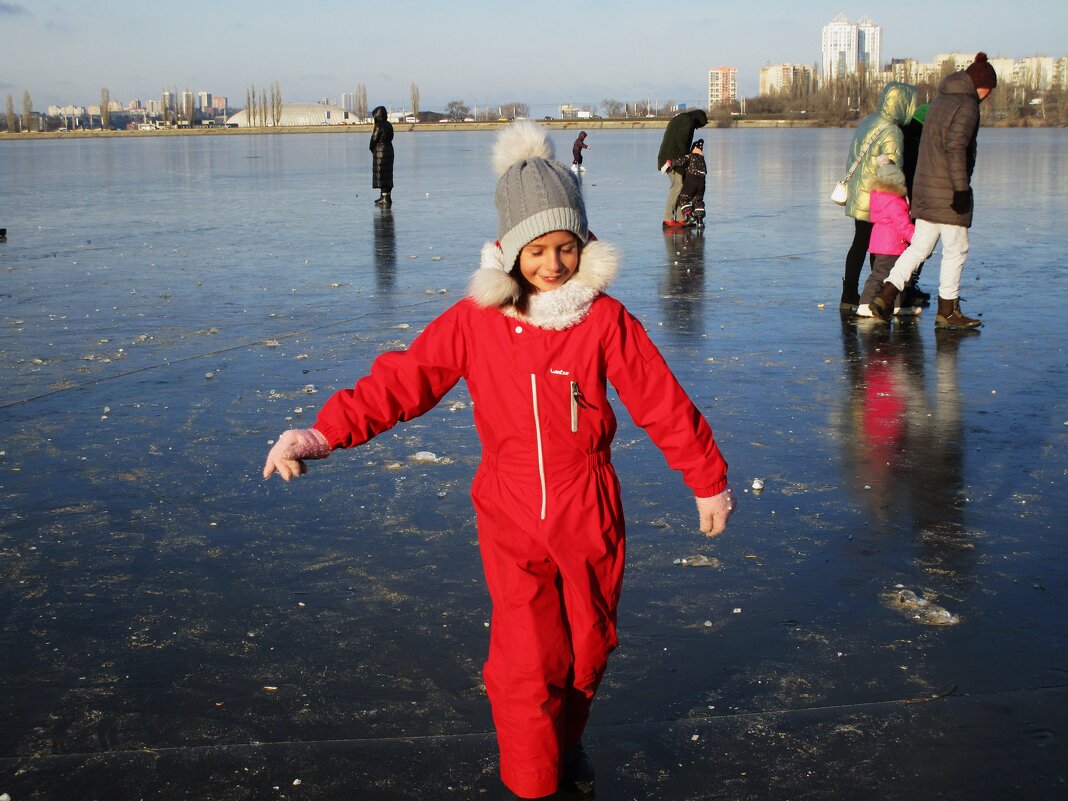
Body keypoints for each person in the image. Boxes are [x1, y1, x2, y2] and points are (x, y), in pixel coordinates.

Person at [263, 121, 736, 800]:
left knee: (588, 646)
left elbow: (660, 399)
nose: (553, 264)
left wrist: (707, 478)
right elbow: (403, 381)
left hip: (588, 508)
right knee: (526, 660)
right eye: (537, 249)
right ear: (511, 250)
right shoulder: (476, 321)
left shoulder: (603, 321)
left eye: (566, 247)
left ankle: (564, 740)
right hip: (510, 513)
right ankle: (533, 781)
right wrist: (320, 434)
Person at [871, 53, 997, 328]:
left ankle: (886, 295)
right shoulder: (967, 105)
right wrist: (960, 190)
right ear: (982, 85)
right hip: (948, 192)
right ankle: (948, 311)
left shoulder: (940, 101)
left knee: (919, 247)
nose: (988, 95)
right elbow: (956, 148)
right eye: (989, 89)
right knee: (956, 249)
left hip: (926, 189)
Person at [838, 82, 918, 311]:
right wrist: (903, 198)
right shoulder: (892, 131)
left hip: (860, 192)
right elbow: (893, 173)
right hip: (877, 197)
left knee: (860, 243)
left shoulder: (870, 121)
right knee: (881, 248)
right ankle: (877, 296)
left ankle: (849, 294)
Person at [857, 159, 917, 319]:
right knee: (891, 275)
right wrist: (917, 239)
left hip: (881, 244)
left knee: (886, 275)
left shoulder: (879, 198)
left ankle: (898, 305)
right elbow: (903, 226)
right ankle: (866, 304)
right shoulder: (896, 203)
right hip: (893, 245)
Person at [657, 108, 707, 228]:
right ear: (698, 119)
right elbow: (682, 139)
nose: (697, 128)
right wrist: (687, 157)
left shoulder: (682, 118)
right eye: (699, 125)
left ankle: (681, 219)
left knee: (684, 187)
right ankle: (667, 219)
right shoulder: (687, 121)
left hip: (673, 157)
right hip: (672, 159)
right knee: (678, 186)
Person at [670, 138, 707, 227]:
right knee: (698, 200)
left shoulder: (691, 156)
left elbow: (681, 161)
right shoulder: (702, 159)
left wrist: (671, 162)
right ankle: (700, 221)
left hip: (691, 180)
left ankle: (689, 216)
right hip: (702, 182)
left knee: (683, 199)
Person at [369, 105, 394, 207]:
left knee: (381, 174)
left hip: (380, 151)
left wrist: (372, 148)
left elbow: (374, 140)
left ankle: (384, 198)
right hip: (389, 149)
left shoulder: (378, 126)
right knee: (387, 174)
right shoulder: (389, 125)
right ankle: (387, 196)